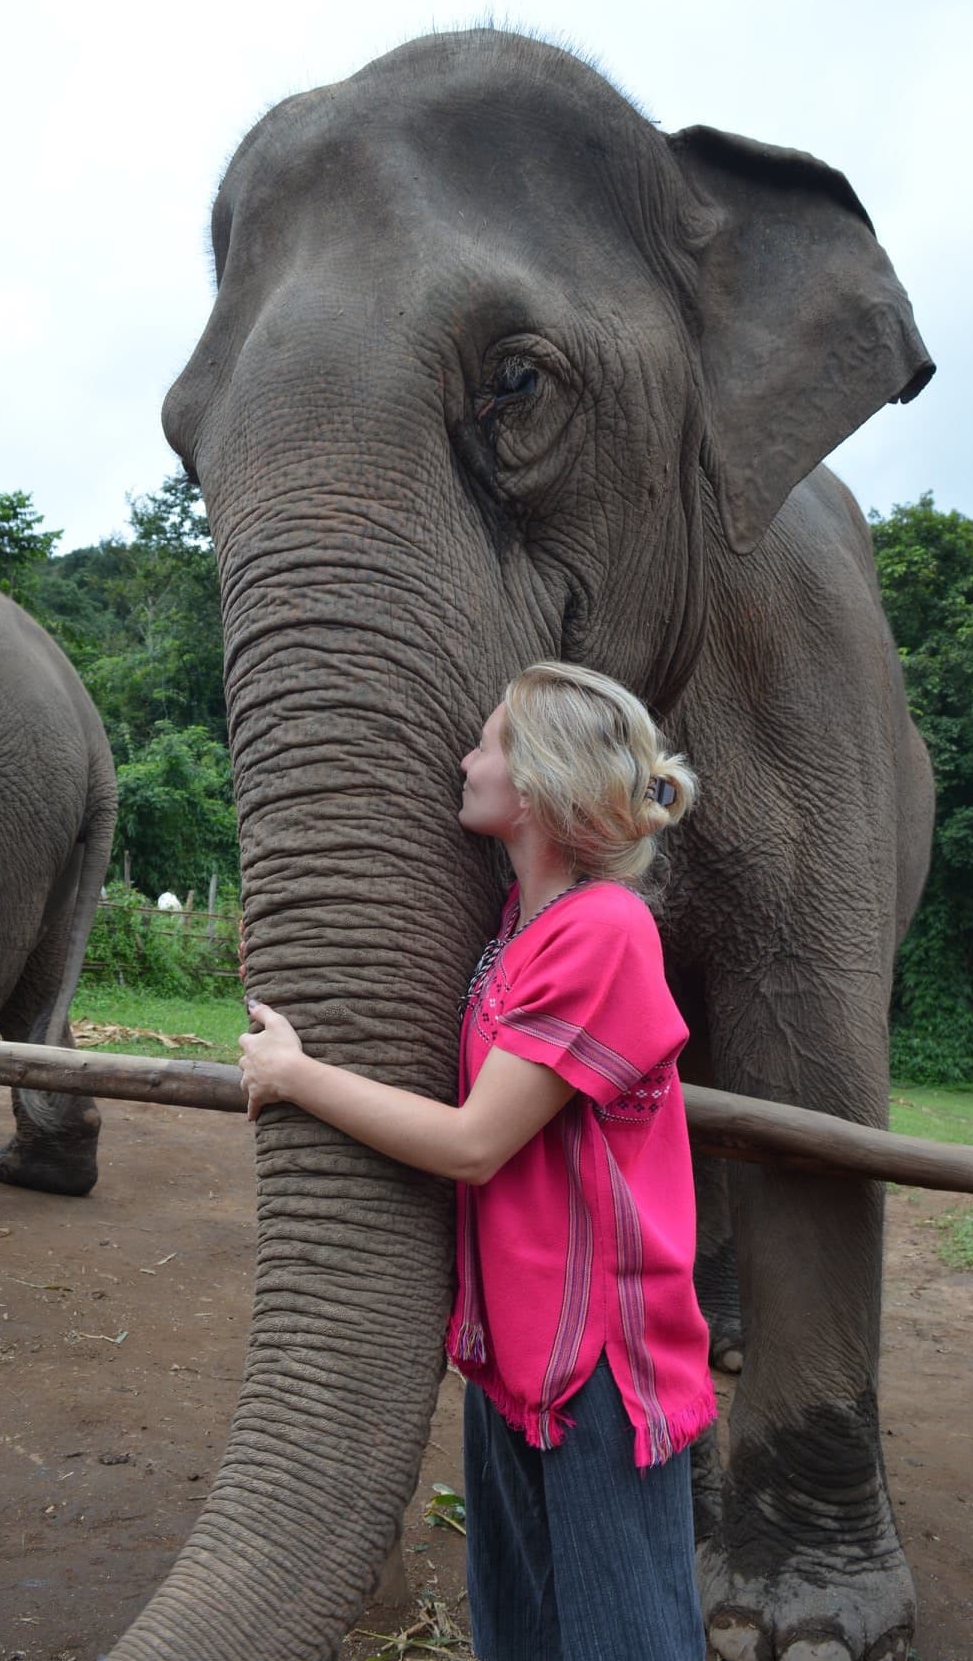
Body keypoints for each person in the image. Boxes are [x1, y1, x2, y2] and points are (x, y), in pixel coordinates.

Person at [239, 660, 714, 1661]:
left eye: (488, 741)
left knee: (625, 1638)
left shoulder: (606, 930)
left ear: (535, 782)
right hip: (515, 1357)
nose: (466, 759)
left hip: (599, 1371)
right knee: (523, 1632)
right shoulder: (519, 929)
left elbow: (475, 1143)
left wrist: (294, 1074)